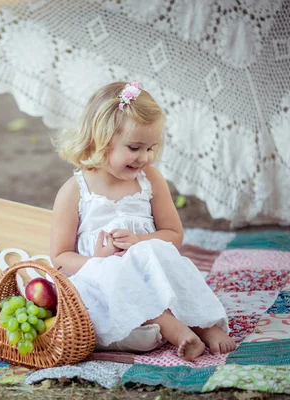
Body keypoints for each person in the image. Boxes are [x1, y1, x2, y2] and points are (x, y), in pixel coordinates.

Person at [50, 81, 236, 361]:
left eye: (151, 148)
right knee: (115, 278)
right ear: (100, 139)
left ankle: (205, 327)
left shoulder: (150, 180)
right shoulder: (74, 191)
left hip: (151, 273)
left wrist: (140, 241)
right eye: (135, 147)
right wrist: (101, 262)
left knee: (158, 257)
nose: (145, 158)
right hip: (103, 282)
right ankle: (175, 331)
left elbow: (173, 234)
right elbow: (60, 258)